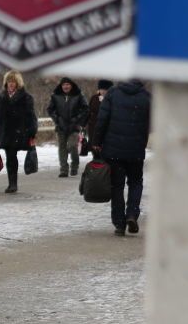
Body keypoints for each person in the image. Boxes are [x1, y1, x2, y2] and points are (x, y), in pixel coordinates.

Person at [91, 78, 152, 236]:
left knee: (116, 186)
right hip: (136, 149)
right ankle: (132, 214)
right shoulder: (146, 97)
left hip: (114, 149)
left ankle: (119, 223)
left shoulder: (113, 93)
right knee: (135, 182)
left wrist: (97, 141)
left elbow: (102, 119)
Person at [0, 70, 37, 194]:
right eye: (9, 81)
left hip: (20, 132)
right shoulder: (0, 97)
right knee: (10, 157)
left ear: (17, 83)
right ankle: (12, 183)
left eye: (13, 82)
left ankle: (15, 181)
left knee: (14, 157)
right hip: (5, 133)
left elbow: (31, 117)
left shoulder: (26, 97)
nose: (11, 84)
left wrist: (32, 133)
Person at [46, 77, 89, 178]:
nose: (66, 86)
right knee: (62, 148)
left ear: (71, 85)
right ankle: (64, 169)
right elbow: (50, 109)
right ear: (61, 86)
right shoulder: (55, 95)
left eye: (68, 84)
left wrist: (77, 120)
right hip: (60, 126)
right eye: (64, 84)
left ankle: (75, 165)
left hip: (74, 126)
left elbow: (85, 109)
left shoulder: (78, 95)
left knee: (72, 146)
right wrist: (57, 119)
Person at [86, 80, 113, 161]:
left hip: (108, 130)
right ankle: (98, 170)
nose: (103, 91)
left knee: (106, 154)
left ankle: (106, 170)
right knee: (95, 152)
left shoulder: (113, 99)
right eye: (101, 89)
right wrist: (83, 123)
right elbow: (89, 111)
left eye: (106, 89)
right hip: (93, 129)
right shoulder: (94, 98)